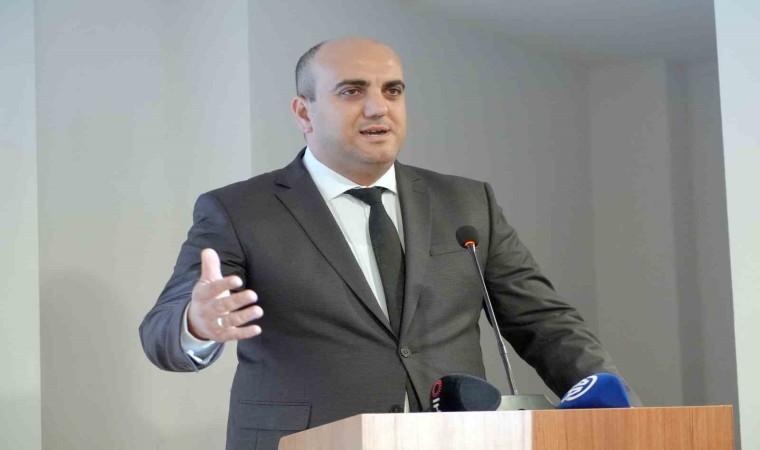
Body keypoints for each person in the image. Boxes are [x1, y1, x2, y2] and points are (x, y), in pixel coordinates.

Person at [140, 37, 638, 450]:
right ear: (304, 112)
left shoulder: (466, 203)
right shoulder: (240, 210)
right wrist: (196, 323)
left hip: (458, 438)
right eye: (352, 91)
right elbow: (161, 331)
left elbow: (543, 321)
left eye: (392, 90)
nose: (378, 107)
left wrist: (621, 411)